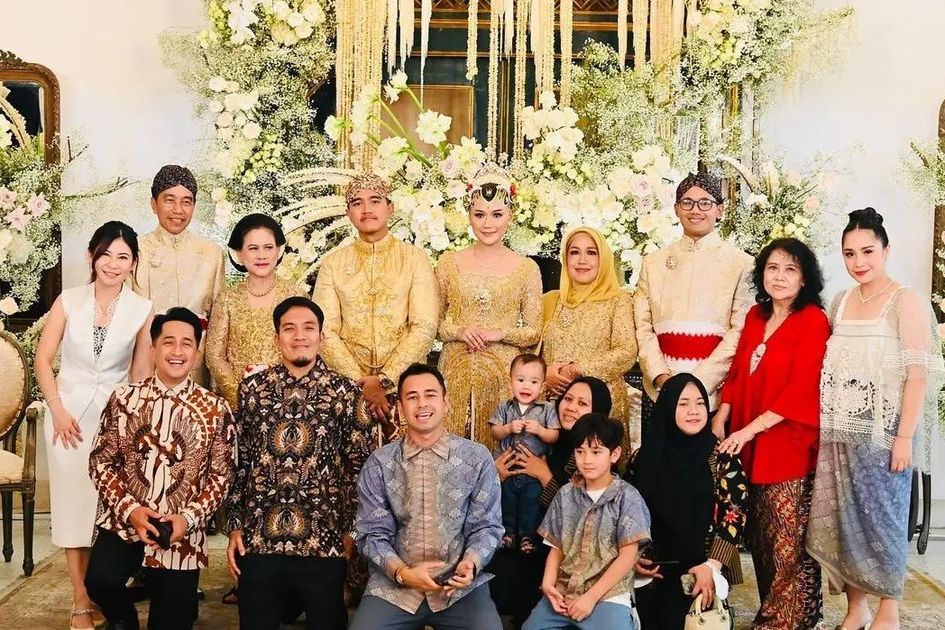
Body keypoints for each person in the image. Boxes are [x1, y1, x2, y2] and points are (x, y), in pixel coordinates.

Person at [806, 208, 945, 630]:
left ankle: (889, 611)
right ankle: (857, 608)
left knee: (884, 518)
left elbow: (918, 374)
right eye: (849, 254)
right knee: (847, 521)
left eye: (867, 251)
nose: (859, 261)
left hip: (884, 433)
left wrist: (904, 437)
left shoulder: (907, 300)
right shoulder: (841, 301)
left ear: (886, 250)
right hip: (839, 429)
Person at [224, 296, 375, 630]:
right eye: (289, 328)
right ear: (277, 337)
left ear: (321, 336)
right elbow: (241, 461)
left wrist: (351, 532)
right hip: (260, 538)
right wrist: (235, 525)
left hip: (323, 540)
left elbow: (362, 468)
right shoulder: (253, 390)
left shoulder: (345, 392)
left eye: (308, 327)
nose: (299, 336)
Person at [84, 308, 236, 630]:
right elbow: (100, 461)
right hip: (125, 522)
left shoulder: (215, 409)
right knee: (99, 582)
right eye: (168, 342)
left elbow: (222, 477)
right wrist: (131, 511)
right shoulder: (125, 399)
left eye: (186, 343)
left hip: (180, 531)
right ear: (153, 347)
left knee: (171, 622)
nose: (177, 351)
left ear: (197, 352)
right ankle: (123, 620)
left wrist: (187, 519)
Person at [34, 221, 153, 630]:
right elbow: (43, 360)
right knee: (73, 510)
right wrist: (57, 409)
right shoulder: (68, 300)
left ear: (133, 263)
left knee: (102, 513)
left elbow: (139, 376)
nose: (113, 264)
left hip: (113, 423)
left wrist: (132, 430)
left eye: (123, 257)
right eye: (106, 255)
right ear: (91, 256)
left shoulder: (142, 309)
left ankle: (100, 590)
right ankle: (81, 601)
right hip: (66, 420)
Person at [716, 237, 829, 629]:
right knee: (761, 539)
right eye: (773, 268)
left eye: (790, 270)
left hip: (787, 442)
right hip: (747, 439)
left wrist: (748, 430)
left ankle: (785, 621)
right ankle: (777, 612)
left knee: (787, 541)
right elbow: (737, 371)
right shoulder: (755, 315)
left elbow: (802, 387)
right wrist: (723, 414)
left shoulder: (813, 320)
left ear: (804, 278)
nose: (779, 277)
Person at [349, 363, 504, 630]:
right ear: (400, 408)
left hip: (458, 589)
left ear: (446, 403)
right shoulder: (380, 463)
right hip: (395, 588)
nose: (422, 404)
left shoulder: (477, 458)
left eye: (430, 395)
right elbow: (371, 534)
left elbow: (487, 527)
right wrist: (402, 573)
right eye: (412, 397)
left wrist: (471, 563)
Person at [633, 172, 753, 439]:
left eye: (705, 203)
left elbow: (740, 331)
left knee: (708, 463)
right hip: (660, 390)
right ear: (676, 209)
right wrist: (661, 377)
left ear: (720, 210)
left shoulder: (741, 263)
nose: (695, 210)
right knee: (658, 461)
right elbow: (642, 326)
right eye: (687, 202)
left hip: (711, 394)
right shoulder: (653, 263)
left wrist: (698, 384)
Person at [487, 376, 614, 627]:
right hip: (515, 534)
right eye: (568, 399)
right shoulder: (542, 439)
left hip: (560, 551)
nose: (571, 407)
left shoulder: (593, 455)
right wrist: (496, 476)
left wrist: (544, 475)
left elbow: (584, 515)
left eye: (582, 403)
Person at [313, 173, 438, 427]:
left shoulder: (414, 259)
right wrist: (361, 381)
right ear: (348, 212)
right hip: (345, 387)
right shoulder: (333, 264)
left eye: (375, 201)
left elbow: (425, 326)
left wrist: (385, 379)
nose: (367, 209)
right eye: (357, 203)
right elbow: (324, 330)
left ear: (390, 208)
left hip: (406, 386)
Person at [627, 373, 747, 629]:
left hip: (702, 567)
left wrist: (711, 566)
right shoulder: (644, 457)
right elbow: (627, 511)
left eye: (700, 403)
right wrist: (631, 556)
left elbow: (734, 514)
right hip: (652, 569)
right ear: (668, 407)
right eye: (683, 404)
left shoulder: (722, 456)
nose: (694, 411)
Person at [437, 162, 543, 449]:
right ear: (469, 216)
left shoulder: (526, 268)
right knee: (450, 450)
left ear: (511, 215)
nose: (488, 224)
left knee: (500, 453)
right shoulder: (448, 263)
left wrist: (500, 333)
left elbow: (534, 332)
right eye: (479, 215)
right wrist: (460, 331)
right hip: (455, 369)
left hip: (503, 374)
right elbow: (435, 324)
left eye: (497, 214)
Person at [522, 413, 650, 630]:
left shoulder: (627, 497)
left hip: (608, 594)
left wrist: (590, 598)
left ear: (614, 454)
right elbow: (557, 547)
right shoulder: (565, 494)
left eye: (596, 451)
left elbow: (628, 556)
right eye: (580, 451)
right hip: (564, 591)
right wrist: (548, 584)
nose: (587, 459)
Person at [539, 226, 637, 456]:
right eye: (574, 252)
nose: (582, 260)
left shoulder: (618, 300)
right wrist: (545, 373)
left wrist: (578, 370)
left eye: (591, 253)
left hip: (600, 409)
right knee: (549, 471)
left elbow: (626, 351)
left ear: (604, 259)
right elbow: (531, 353)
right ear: (565, 258)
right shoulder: (550, 301)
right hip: (553, 408)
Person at [133, 164, 226, 386]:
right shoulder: (136, 250)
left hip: (196, 365)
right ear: (154, 204)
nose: (178, 210)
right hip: (146, 363)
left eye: (186, 202)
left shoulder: (212, 253)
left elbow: (218, 323)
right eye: (169, 200)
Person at [205, 212, 305, 408]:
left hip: (288, 403)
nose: (261, 255)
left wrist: (285, 397)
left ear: (279, 251)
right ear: (239, 254)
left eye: (268, 247)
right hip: (239, 404)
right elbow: (214, 356)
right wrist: (240, 397)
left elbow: (306, 349)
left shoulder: (295, 296)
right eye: (253, 248)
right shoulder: (227, 299)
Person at [489, 353, 559, 554]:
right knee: (507, 501)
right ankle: (508, 533)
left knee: (531, 503)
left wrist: (540, 430)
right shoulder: (504, 407)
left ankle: (527, 535)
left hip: (532, 473)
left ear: (542, 386)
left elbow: (554, 435)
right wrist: (508, 428)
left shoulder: (547, 409)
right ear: (510, 381)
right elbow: (495, 432)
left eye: (534, 382)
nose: (526, 386)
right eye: (520, 380)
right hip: (508, 469)